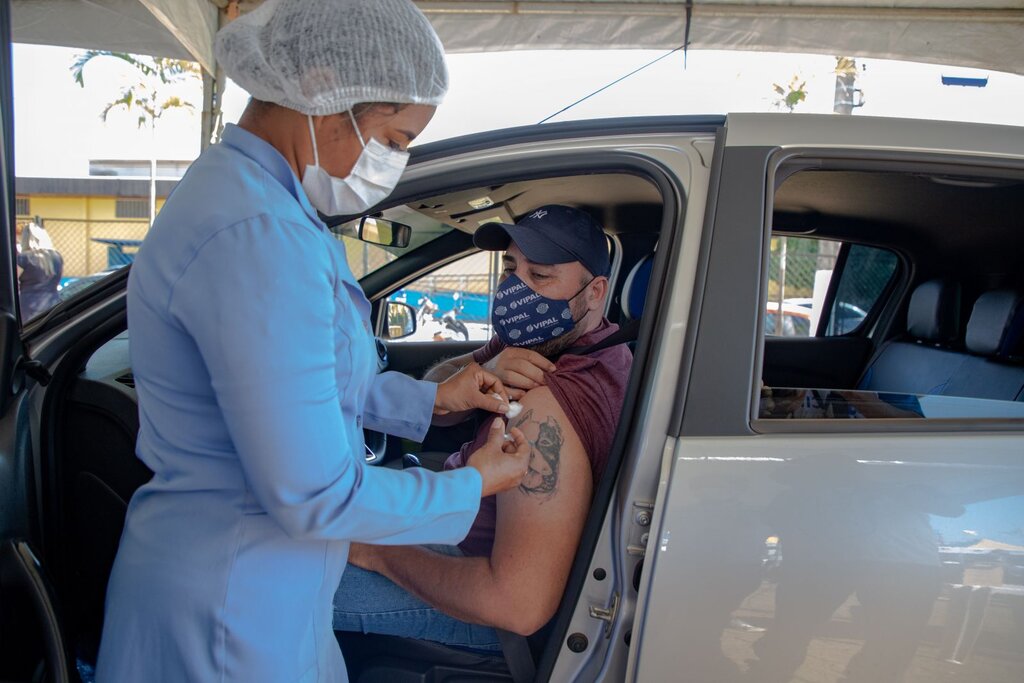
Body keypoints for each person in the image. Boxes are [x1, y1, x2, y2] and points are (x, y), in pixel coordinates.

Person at [94, 2, 530, 681]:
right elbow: (314, 493)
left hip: (265, 585)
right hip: (232, 604)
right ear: (327, 91)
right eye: (394, 136)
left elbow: (307, 378)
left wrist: (428, 403)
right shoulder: (258, 235)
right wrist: (474, 484)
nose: (395, 159)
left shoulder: (261, 203)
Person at [333, 205, 633, 649]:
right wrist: (484, 364)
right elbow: (442, 401)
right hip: (453, 527)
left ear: (596, 291)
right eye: (511, 269)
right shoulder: (544, 342)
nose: (516, 290)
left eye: (541, 275)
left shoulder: (548, 402)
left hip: (475, 587)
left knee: (277, 580)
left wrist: (378, 552)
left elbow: (518, 605)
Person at [16, 221, 63, 320]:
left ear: (25, 238)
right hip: (53, 302)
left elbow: (13, 282)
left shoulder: (23, 258)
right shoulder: (57, 256)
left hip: (28, 305)